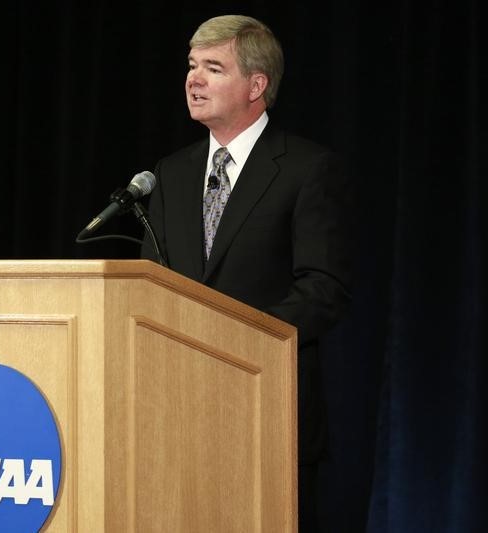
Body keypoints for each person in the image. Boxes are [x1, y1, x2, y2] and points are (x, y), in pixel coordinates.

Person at [142, 15, 354, 532]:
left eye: (213, 68)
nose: (193, 79)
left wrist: (233, 340)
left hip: (267, 415)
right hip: (175, 418)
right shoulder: (169, 174)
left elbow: (324, 290)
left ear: (256, 85)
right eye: (192, 66)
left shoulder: (306, 169)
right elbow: (148, 291)